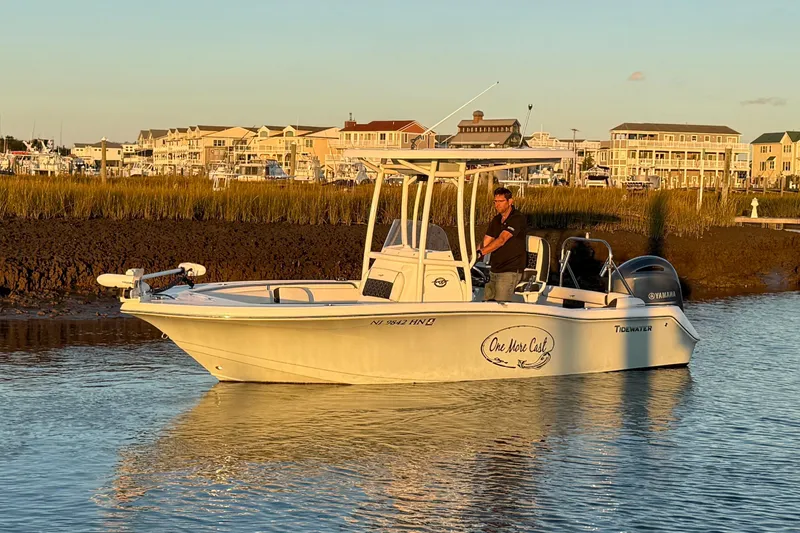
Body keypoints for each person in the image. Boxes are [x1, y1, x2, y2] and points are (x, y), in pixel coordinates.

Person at [477, 187, 527, 302]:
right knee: (486, 303)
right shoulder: (496, 219)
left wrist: (481, 253)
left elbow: (502, 239)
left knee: (500, 305)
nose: (497, 205)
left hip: (510, 270)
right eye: (495, 201)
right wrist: (473, 256)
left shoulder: (517, 218)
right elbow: (486, 240)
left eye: (501, 201)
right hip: (494, 269)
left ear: (510, 201)